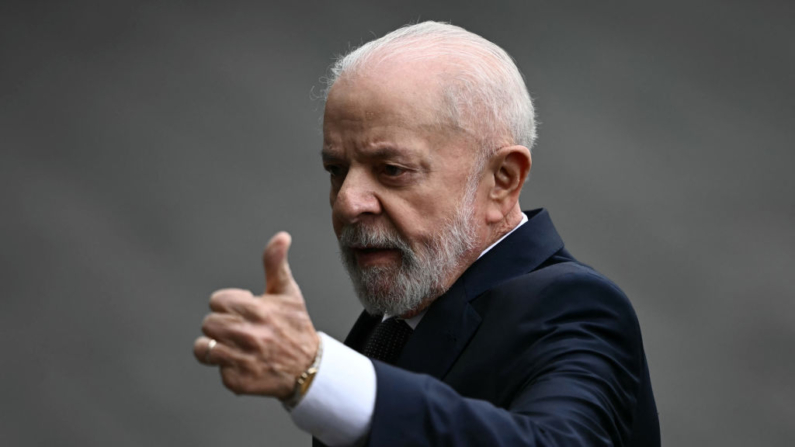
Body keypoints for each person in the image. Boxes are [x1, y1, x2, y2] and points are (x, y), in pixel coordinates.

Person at [193, 21, 660, 446]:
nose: (348, 202)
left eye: (392, 170)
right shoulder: (395, 321)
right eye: (336, 170)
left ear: (503, 179)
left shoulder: (573, 306)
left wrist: (315, 374)